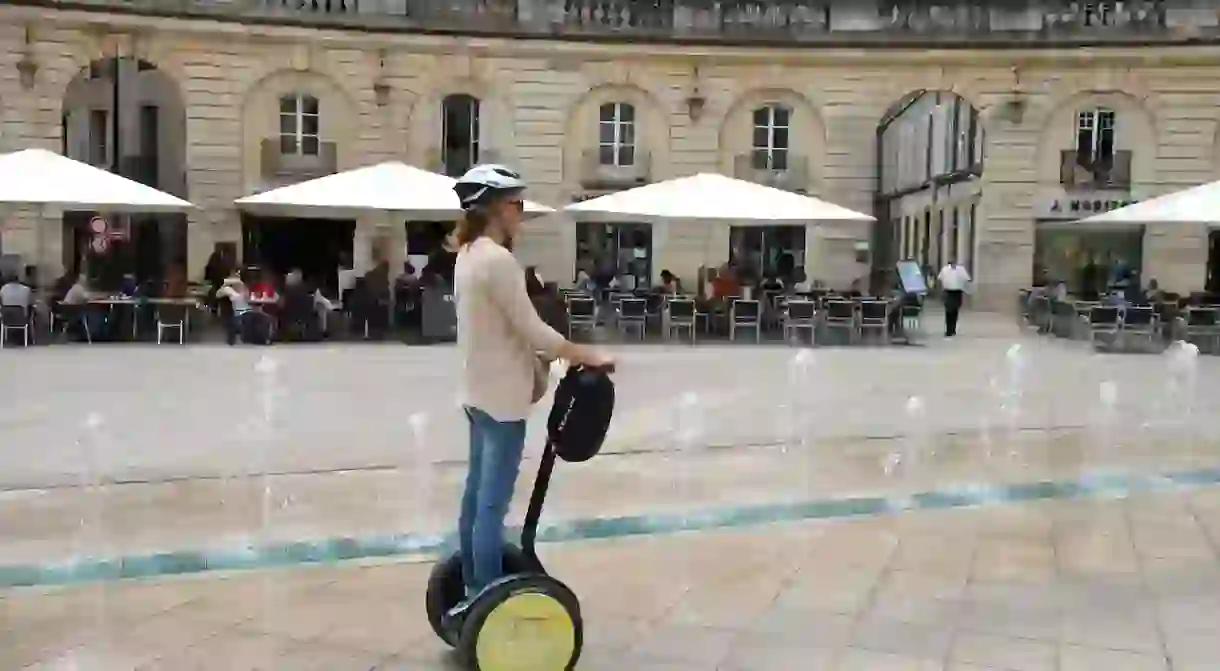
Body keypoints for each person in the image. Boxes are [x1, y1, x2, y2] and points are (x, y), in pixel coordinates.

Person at [447, 164, 613, 621]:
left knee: (475, 496)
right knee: (491, 504)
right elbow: (534, 331)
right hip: (501, 397)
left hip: (477, 391)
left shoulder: (467, 255)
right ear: (496, 208)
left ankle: (470, 588)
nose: (520, 211)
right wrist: (584, 354)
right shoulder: (497, 261)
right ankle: (481, 598)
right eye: (516, 203)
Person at [937, 259, 971, 337]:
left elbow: (967, 279)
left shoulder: (961, 270)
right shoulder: (945, 270)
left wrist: (967, 290)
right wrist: (941, 291)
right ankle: (948, 330)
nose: (953, 264)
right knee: (949, 311)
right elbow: (939, 279)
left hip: (957, 292)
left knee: (955, 310)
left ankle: (953, 329)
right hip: (948, 292)